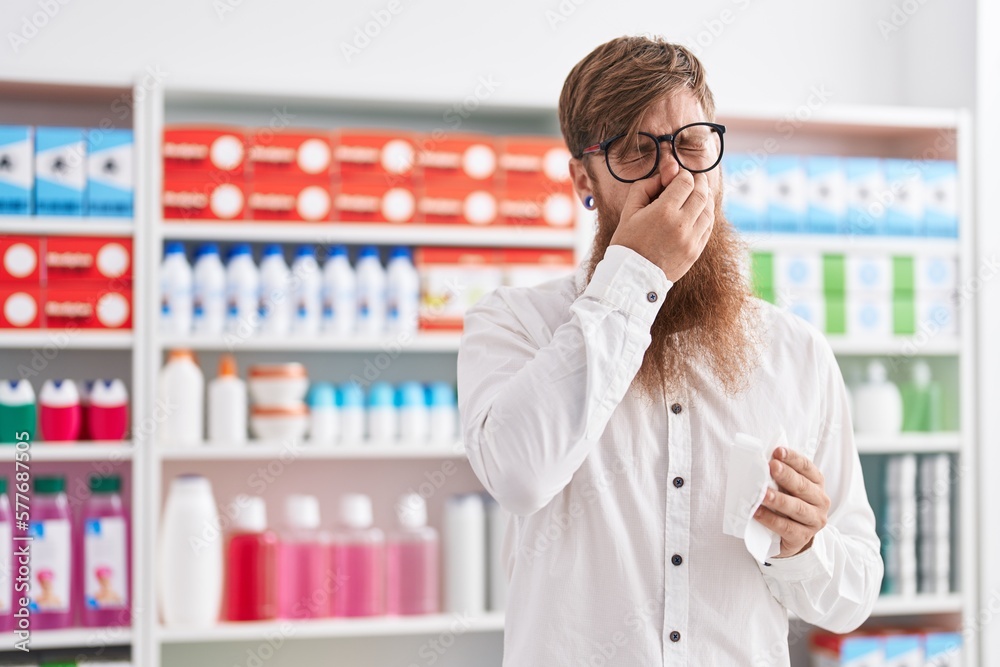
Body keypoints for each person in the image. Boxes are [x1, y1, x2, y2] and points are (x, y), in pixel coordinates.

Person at [457, 35, 882, 666]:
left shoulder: (796, 352)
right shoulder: (516, 323)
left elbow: (854, 595)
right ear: (584, 180)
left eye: (691, 145)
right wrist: (637, 274)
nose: (675, 177)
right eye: (636, 152)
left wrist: (804, 549)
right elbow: (519, 475)